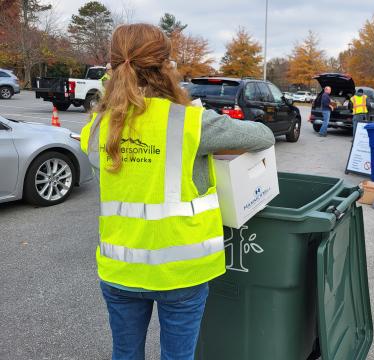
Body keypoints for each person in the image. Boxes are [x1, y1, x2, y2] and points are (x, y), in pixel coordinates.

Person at [80, 23, 275, 360]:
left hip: (120, 270)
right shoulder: (193, 122)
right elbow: (263, 136)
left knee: (125, 355)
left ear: (112, 67)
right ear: (165, 66)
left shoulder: (97, 127)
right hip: (183, 273)